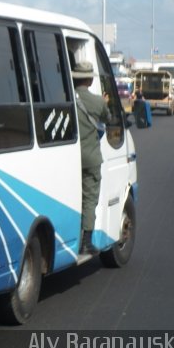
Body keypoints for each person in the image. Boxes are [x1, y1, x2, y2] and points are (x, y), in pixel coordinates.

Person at [72, 61, 111, 256]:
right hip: (91, 157)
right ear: (89, 79)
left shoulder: (67, 98)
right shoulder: (97, 102)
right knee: (89, 198)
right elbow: (109, 119)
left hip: (69, 158)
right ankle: (86, 242)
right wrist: (104, 102)